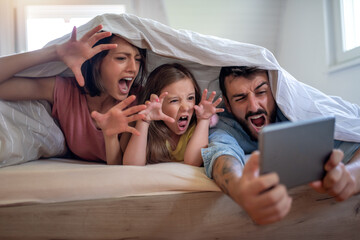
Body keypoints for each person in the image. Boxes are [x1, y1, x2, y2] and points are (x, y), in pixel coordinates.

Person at [201, 66, 360, 225]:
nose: (254, 106)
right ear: (228, 105)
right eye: (240, 98)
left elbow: (352, 137)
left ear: (274, 91)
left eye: (261, 92)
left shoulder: (293, 111)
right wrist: (240, 190)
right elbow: (221, 155)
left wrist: (351, 175)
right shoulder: (226, 124)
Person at [0, 25, 147, 164]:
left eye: (138, 59)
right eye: (121, 58)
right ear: (96, 62)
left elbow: (124, 167)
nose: (133, 68)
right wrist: (55, 53)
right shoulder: (66, 91)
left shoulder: (139, 100)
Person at [95, 63, 223, 166]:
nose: (186, 107)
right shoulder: (143, 129)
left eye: (190, 98)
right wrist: (144, 122)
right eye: (174, 100)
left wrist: (204, 120)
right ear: (158, 104)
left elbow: (193, 161)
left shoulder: (195, 128)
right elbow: (131, 165)